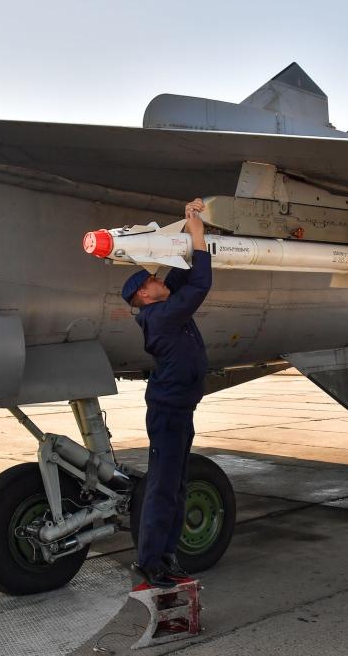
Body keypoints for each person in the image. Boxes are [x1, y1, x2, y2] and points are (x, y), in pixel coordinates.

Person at [121, 198, 212, 588]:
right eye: (150, 280)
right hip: (169, 412)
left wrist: (192, 219)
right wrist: (199, 238)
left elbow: (179, 273)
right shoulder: (162, 315)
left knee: (176, 485)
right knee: (162, 486)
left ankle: (166, 555)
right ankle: (148, 561)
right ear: (144, 295)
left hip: (180, 408)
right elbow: (201, 282)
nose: (158, 278)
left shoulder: (163, 304)